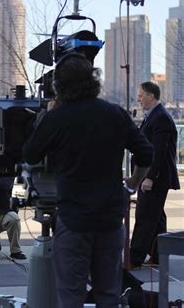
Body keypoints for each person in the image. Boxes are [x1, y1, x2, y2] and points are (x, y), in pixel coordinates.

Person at [22, 53, 153, 308]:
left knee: (71, 296)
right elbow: (146, 154)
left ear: (59, 86)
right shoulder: (115, 114)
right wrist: (132, 184)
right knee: (108, 295)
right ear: (93, 80)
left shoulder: (57, 118)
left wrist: (46, 116)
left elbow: (30, 153)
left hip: (74, 221)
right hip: (110, 219)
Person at [130, 81, 180, 269]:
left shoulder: (160, 118)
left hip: (156, 178)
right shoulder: (154, 116)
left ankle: (134, 257)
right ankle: (159, 255)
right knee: (156, 216)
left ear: (151, 96)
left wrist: (150, 177)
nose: (139, 99)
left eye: (141, 95)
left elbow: (159, 152)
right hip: (152, 176)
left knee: (145, 216)